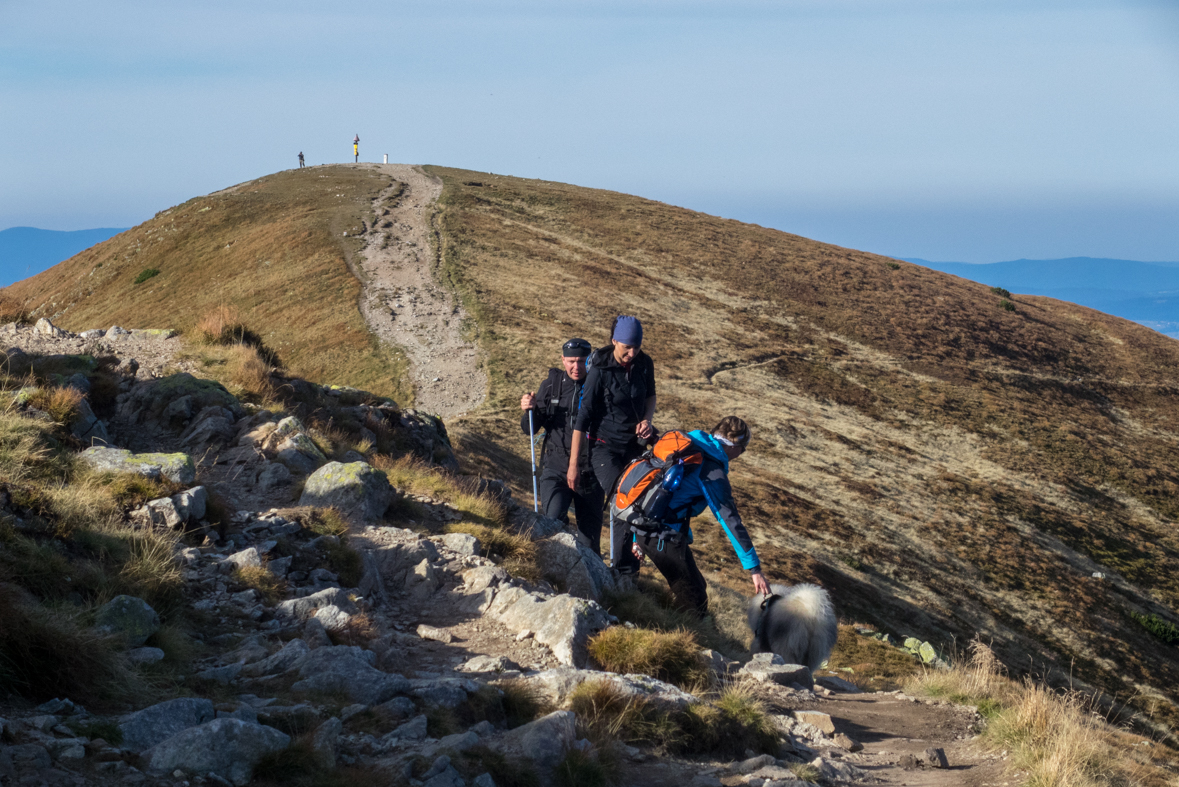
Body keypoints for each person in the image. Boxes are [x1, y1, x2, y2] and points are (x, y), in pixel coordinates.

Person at [628, 416, 770, 616]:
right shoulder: (712, 471)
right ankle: (678, 638)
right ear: (733, 446)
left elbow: (654, 491)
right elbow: (730, 520)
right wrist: (755, 570)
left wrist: (637, 536)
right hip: (661, 536)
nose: (742, 454)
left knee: (696, 586)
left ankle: (666, 621)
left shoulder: (690, 444)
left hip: (646, 526)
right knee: (695, 598)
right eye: (743, 449)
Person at [567, 315, 656, 570]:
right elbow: (582, 418)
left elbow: (650, 396)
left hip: (634, 446)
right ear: (614, 341)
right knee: (622, 499)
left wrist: (647, 421)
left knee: (642, 498)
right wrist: (573, 464)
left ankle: (629, 568)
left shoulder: (645, 364)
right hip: (603, 447)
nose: (631, 353)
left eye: (636, 347)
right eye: (626, 346)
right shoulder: (600, 370)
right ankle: (620, 568)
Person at [520, 338, 604, 550]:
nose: (577, 367)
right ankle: (552, 578)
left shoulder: (600, 386)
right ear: (563, 360)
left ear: (590, 360)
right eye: (572, 361)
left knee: (590, 542)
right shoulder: (551, 386)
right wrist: (528, 410)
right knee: (552, 524)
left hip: (591, 472)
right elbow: (529, 429)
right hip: (555, 468)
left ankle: (589, 581)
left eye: (582, 361)